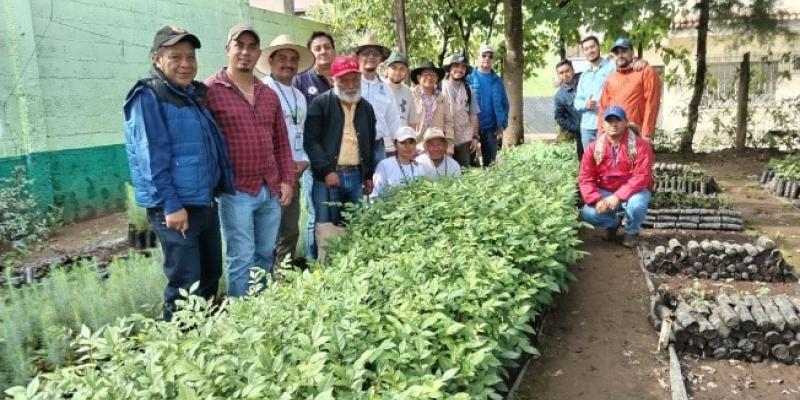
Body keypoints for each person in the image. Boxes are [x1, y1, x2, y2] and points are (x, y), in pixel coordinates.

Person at [123, 25, 234, 320]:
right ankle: (179, 344)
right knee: (186, 283)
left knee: (211, 273)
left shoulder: (191, 95)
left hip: (203, 202)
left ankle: (205, 339)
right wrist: (171, 205)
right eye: (175, 57)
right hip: (176, 208)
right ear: (157, 58)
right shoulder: (148, 96)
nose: (186, 64)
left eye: (190, 57)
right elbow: (150, 158)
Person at [204, 24, 295, 297]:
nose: (245, 52)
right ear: (227, 49)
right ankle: (240, 319)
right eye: (239, 45)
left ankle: (261, 311)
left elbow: (281, 141)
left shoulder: (268, 94)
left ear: (258, 54)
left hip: (269, 188)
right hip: (236, 191)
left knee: (265, 254)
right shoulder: (210, 90)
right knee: (240, 257)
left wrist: (287, 180)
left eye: (252, 46)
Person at [304, 55, 376, 260]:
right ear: (333, 79)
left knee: (353, 228)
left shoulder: (367, 108)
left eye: (355, 79)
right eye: (344, 79)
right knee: (327, 232)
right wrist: (327, 171)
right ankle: (322, 274)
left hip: (356, 176)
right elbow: (311, 142)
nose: (351, 85)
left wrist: (368, 175)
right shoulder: (320, 104)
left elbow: (369, 143)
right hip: (328, 179)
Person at [257, 35, 315, 267]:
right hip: (271, 175)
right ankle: (266, 284)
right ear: (270, 61)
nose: (288, 64)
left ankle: (284, 280)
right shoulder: (262, 91)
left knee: (290, 230)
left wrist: (304, 161)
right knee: (269, 232)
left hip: (295, 173)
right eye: (282, 58)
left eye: (293, 59)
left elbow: (302, 133)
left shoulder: (299, 96)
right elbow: (263, 136)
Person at [579, 106, 654, 248]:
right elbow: (585, 178)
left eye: (618, 120)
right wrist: (596, 200)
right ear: (603, 124)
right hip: (606, 191)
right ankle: (613, 224)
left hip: (634, 191)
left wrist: (618, 196)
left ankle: (631, 232)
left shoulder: (641, 146)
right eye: (609, 120)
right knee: (588, 212)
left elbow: (642, 176)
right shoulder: (593, 148)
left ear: (626, 122)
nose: (613, 124)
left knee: (637, 205)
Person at [293, 31, 336, 261]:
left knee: (336, 211)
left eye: (326, 47)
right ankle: (312, 263)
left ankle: (332, 259)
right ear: (311, 52)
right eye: (317, 48)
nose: (322, 51)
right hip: (313, 158)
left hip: (338, 158)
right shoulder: (302, 79)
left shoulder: (340, 78)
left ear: (333, 50)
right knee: (315, 213)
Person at [573, 36, 649, 150]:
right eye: (586, 49)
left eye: (592, 47)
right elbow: (577, 102)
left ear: (599, 47)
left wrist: (639, 60)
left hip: (610, 125)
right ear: (584, 52)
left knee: (609, 161)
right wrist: (585, 104)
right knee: (590, 161)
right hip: (587, 126)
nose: (590, 51)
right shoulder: (584, 76)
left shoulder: (612, 66)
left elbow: (626, 62)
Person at [598, 37, 662, 140]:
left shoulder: (646, 72)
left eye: (624, 51)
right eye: (617, 53)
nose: (620, 55)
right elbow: (603, 108)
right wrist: (602, 133)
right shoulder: (610, 78)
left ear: (632, 52)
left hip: (637, 132)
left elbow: (652, 104)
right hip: (614, 135)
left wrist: (647, 133)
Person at [354, 35, 401, 167]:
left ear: (381, 58)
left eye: (375, 53)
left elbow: (394, 121)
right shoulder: (348, 84)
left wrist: (401, 146)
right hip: (351, 146)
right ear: (358, 57)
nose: (371, 56)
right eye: (366, 53)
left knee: (378, 186)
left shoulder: (386, 89)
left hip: (377, 147)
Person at [468, 44, 509, 167]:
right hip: (470, 128)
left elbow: (504, 103)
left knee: (490, 164)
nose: (487, 58)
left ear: (493, 60)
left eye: (490, 56)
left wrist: (502, 123)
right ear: (477, 58)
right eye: (484, 55)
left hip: (491, 128)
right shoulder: (469, 78)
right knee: (469, 164)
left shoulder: (497, 80)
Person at [442, 54, 480, 168]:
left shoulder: (469, 90)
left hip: (464, 139)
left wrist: (475, 137)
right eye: (456, 66)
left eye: (463, 67)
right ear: (450, 68)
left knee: (464, 172)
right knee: (445, 173)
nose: (459, 69)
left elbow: (473, 115)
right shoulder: (439, 87)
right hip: (444, 138)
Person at [370, 127, 426, 199]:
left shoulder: (419, 166)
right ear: (395, 145)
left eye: (411, 142)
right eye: (402, 142)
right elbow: (376, 195)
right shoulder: (384, 165)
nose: (407, 146)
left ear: (415, 145)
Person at [411, 60, 454, 148]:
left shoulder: (442, 97)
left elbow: (448, 123)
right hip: (416, 145)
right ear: (419, 78)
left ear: (437, 79)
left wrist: (449, 148)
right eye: (426, 74)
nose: (429, 77)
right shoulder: (411, 95)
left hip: (437, 145)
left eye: (433, 75)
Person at [384, 51, 418, 157]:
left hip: (402, 147)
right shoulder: (379, 88)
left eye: (402, 68)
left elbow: (412, 121)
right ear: (386, 69)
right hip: (382, 147)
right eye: (394, 68)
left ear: (406, 71)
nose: (398, 72)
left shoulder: (407, 91)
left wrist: (411, 145)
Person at [554, 59, 584, 159]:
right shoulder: (559, 96)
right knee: (584, 162)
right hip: (582, 133)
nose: (565, 75)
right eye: (561, 73)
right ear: (558, 76)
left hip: (599, 126)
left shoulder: (584, 78)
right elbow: (559, 117)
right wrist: (576, 127)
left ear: (573, 70)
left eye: (567, 71)